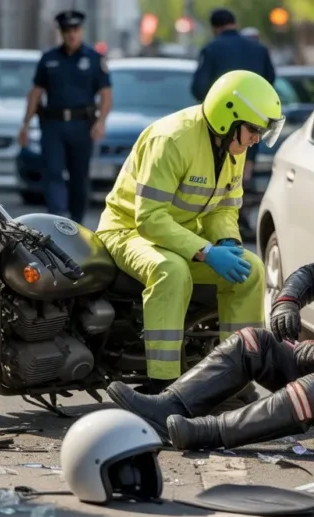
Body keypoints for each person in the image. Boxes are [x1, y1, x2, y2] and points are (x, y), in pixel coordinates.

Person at [103, 180, 314, 450]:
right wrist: (288, 300)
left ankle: (207, 433)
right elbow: (311, 274)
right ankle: (168, 405)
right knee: (253, 341)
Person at [95, 69, 286, 393]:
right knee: (171, 270)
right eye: (253, 130)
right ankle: (164, 385)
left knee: (251, 270)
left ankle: (237, 377)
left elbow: (225, 207)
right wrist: (206, 251)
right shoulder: (170, 140)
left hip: (184, 231)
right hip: (128, 231)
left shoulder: (233, 147)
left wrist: (226, 241)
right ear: (228, 120)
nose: (256, 139)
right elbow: (150, 218)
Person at [18, 10, 112, 224]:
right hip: (53, 125)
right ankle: (57, 219)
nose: (71, 35)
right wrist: (25, 125)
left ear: (81, 31)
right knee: (52, 173)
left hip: (82, 126)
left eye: (75, 30)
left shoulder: (94, 59)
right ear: (61, 32)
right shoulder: (49, 59)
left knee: (79, 176)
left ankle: (76, 222)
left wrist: (101, 122)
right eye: (67, 30)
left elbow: (106, 94)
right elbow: (36, 92)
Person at [191, 9, 276, 197]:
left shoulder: (212, 49)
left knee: (217, 174)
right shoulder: (259, 49)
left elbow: (198, 88)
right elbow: (270, 82)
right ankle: (241, 205)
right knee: (244, 173)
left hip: (219, 125)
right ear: (235, 23)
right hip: (254, 122)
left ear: (215, 29)